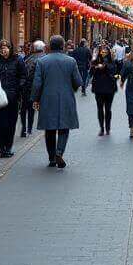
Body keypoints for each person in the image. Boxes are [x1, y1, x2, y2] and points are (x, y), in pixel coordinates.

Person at [32, 35, 80, 168]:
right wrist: (71, 89)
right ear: (63, 46)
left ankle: (52, 158)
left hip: (47, 98)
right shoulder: (71, 61)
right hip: (66, 98)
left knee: (50, 128)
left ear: (49, 46)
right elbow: (78, 81)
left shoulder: (42, 61)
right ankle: (59, 152)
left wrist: (35, 99)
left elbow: (37, 83)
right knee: (64, 127)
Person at [0, 40, 23, 157]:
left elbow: (23, 76)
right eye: (1, 49)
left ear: (10, 49)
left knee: (11, 123)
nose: (3, 50)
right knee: (3, 123)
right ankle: (2, 148)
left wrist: (17, 89)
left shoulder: (17, 60)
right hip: (0, 97)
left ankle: (8, 147)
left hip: (13, 97)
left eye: (5, 48)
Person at [90, 44, 119, 136]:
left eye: (105, 51)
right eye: (102, 51)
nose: (103, 53)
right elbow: (91, 72)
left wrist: (104, 66)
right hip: (99, 88)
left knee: (108, 109)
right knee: (100, 109)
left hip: (109, 88)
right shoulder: (95, 61)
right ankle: (102, 128)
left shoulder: (112, 61)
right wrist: (94, 64)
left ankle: (107, 128)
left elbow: (115, 72)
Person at [20, 40, 45, 137]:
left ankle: (24, 128)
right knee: (31, 109)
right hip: (37, 87)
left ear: (34, 48)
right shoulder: (45, 58)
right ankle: (29, 128)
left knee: (24, 108)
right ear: (43, 48)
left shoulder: (28, 58)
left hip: (26, 86)